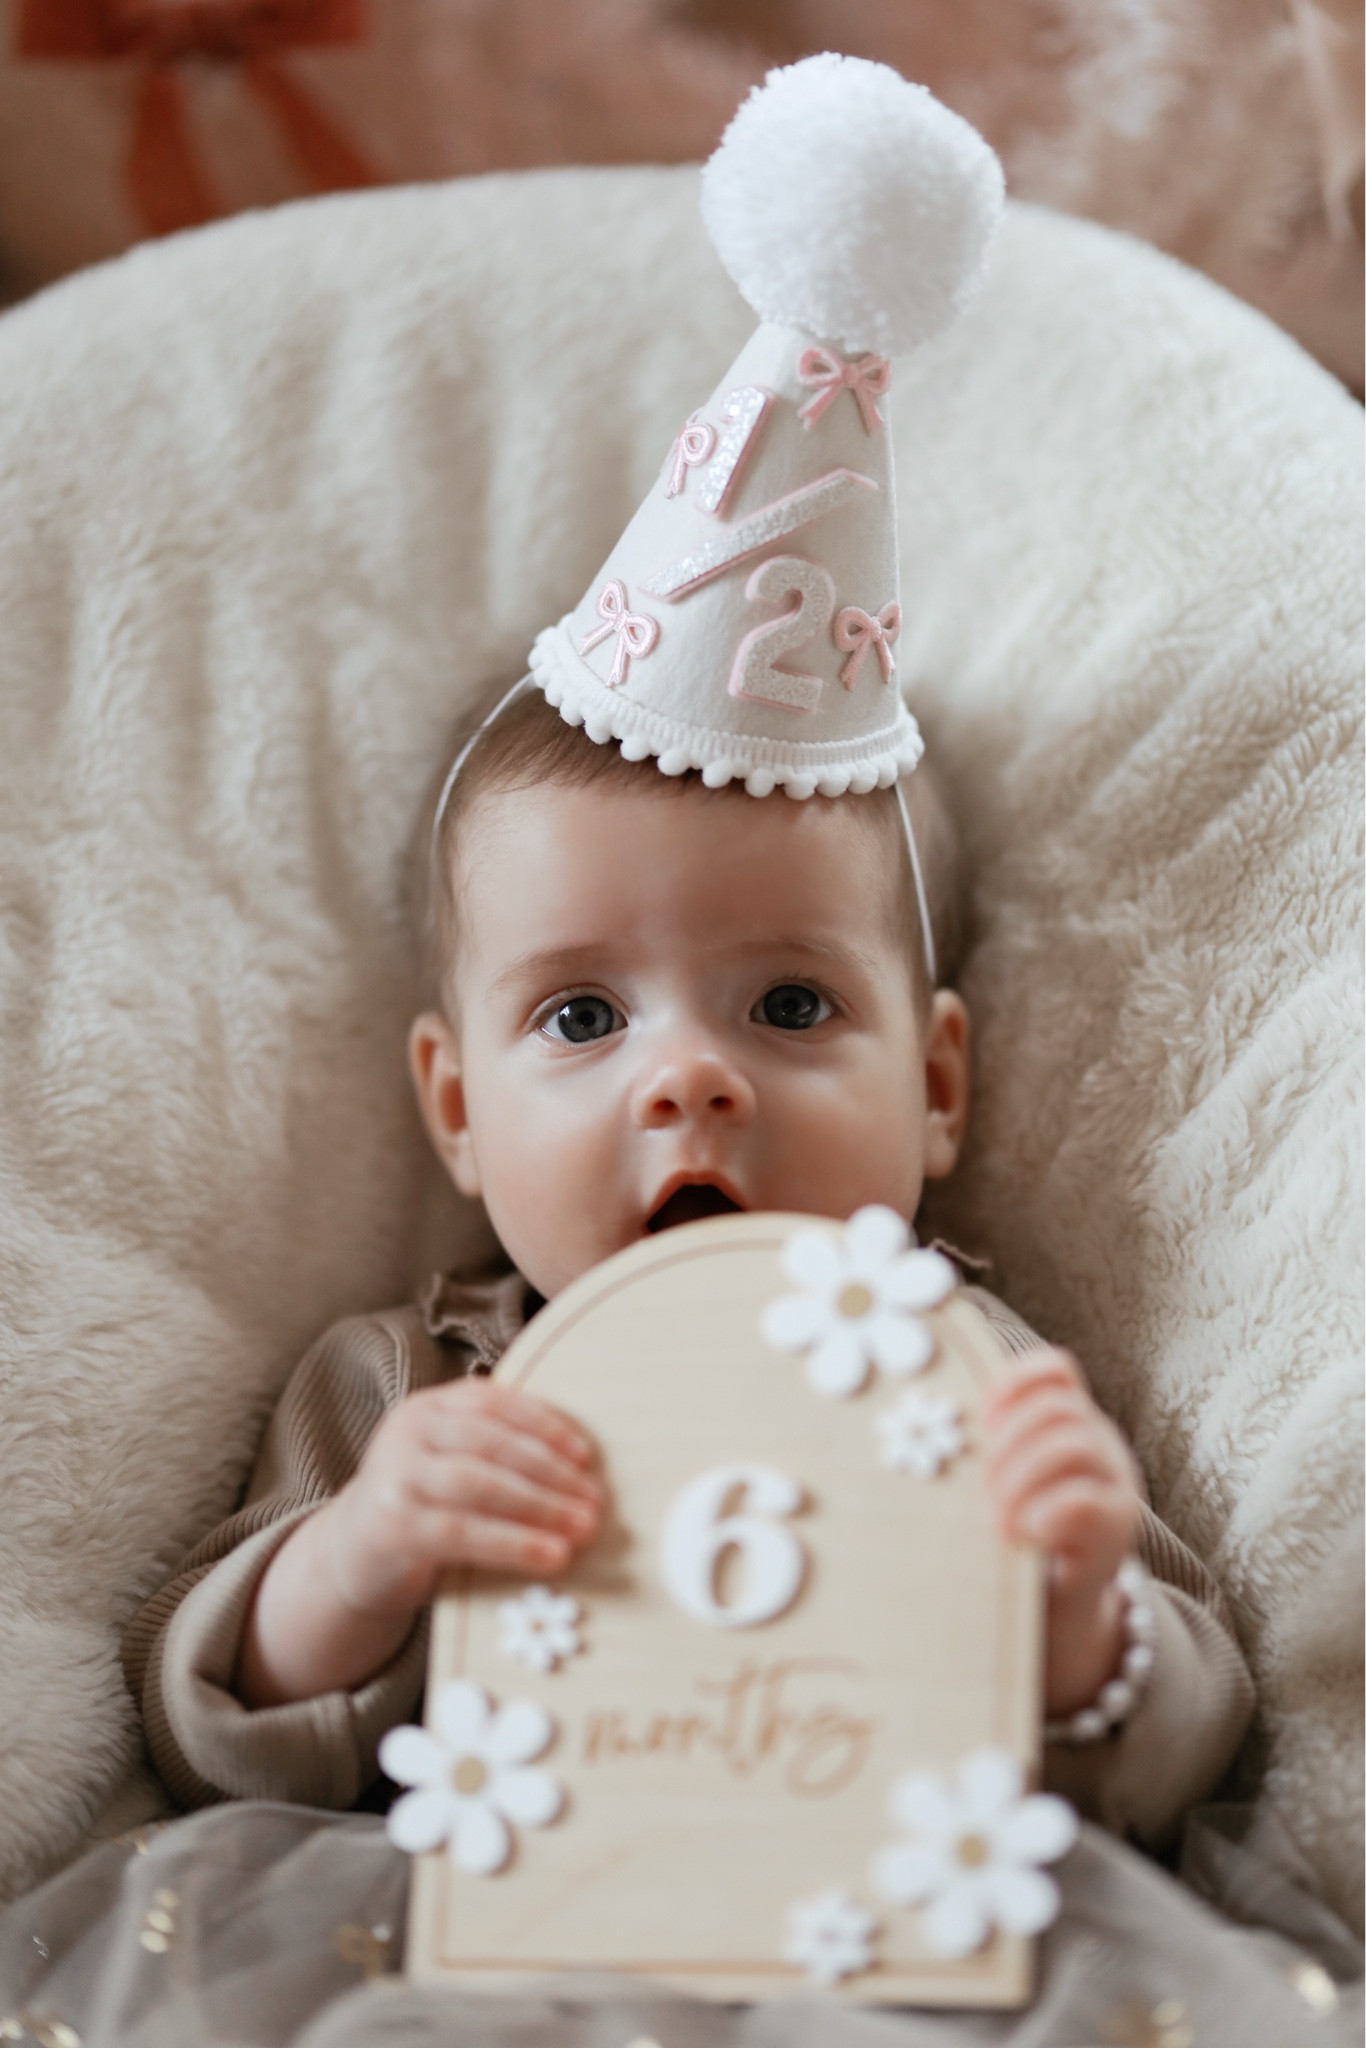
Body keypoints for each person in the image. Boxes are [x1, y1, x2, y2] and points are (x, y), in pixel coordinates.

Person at [1, 53, 1355, 2048]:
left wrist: (1069, 1607)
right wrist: (364, 1552)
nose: (684, 1079)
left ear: (939, 1084)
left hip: (897, 1910)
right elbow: (226, 1724)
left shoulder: (967, 1377)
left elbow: (1167, 1743)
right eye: (575, 1015)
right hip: (468, 1910)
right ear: (453, 1109)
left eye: (792, 1005)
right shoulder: (411, 1380)